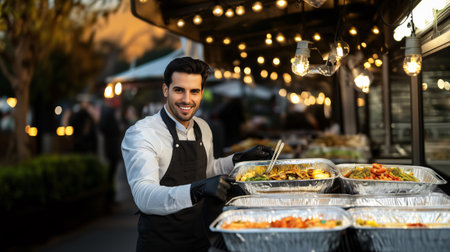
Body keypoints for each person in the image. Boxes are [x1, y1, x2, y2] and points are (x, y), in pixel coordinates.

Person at [121, 57, 273, 252]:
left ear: (202, 93)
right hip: (161, 244)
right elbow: (144, 196)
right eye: (179, 90)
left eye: (194, 91)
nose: (187, 99)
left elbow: (207, 170)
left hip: (199, 239)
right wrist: (196, 190)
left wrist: (238, 160)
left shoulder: (203, 127)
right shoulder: (143, 133)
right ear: (165, 90)